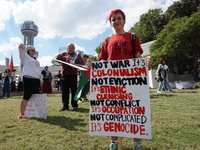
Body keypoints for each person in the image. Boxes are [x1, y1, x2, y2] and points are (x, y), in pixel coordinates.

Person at [99, 9, 153, 150]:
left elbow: (137, 58)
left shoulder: (133, 37)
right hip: (113, 83)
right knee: (113, 113)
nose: (116, 21)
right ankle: (113, 142)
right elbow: (103, 63)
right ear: (110, 23)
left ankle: (137, 143)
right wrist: (92, 66)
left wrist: (145, 63)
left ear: (124, 20)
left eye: (119, 18)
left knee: (134, 112)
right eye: (113, 19)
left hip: (131, 81)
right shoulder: (107, 41)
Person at [56, 43, 84, 111]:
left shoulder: (77, 55)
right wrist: (65, 58)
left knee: (74, 91)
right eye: (69, 48)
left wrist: (75, 63)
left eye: (72, 48)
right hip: (64, 75)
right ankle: (65, 106)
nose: (71, 49)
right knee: (65, 91)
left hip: (73, 75)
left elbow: (82, 64)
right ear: (67, 48)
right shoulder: (64, 54)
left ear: (74, 48)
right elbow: (57, 58)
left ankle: (75, 105)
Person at [18, 44, 41, 119]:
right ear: (28, 51)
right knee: (26, 96)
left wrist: (35, 53)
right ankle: (22, 114)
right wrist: (25, 48)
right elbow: (21, 46)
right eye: (32, 50)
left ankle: (36, 112)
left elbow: (36, 55)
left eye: (34, 50)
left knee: (36, 95)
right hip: (28, 78)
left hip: (36, 79)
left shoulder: (34, 59)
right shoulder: (25, 57)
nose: (34, 52)